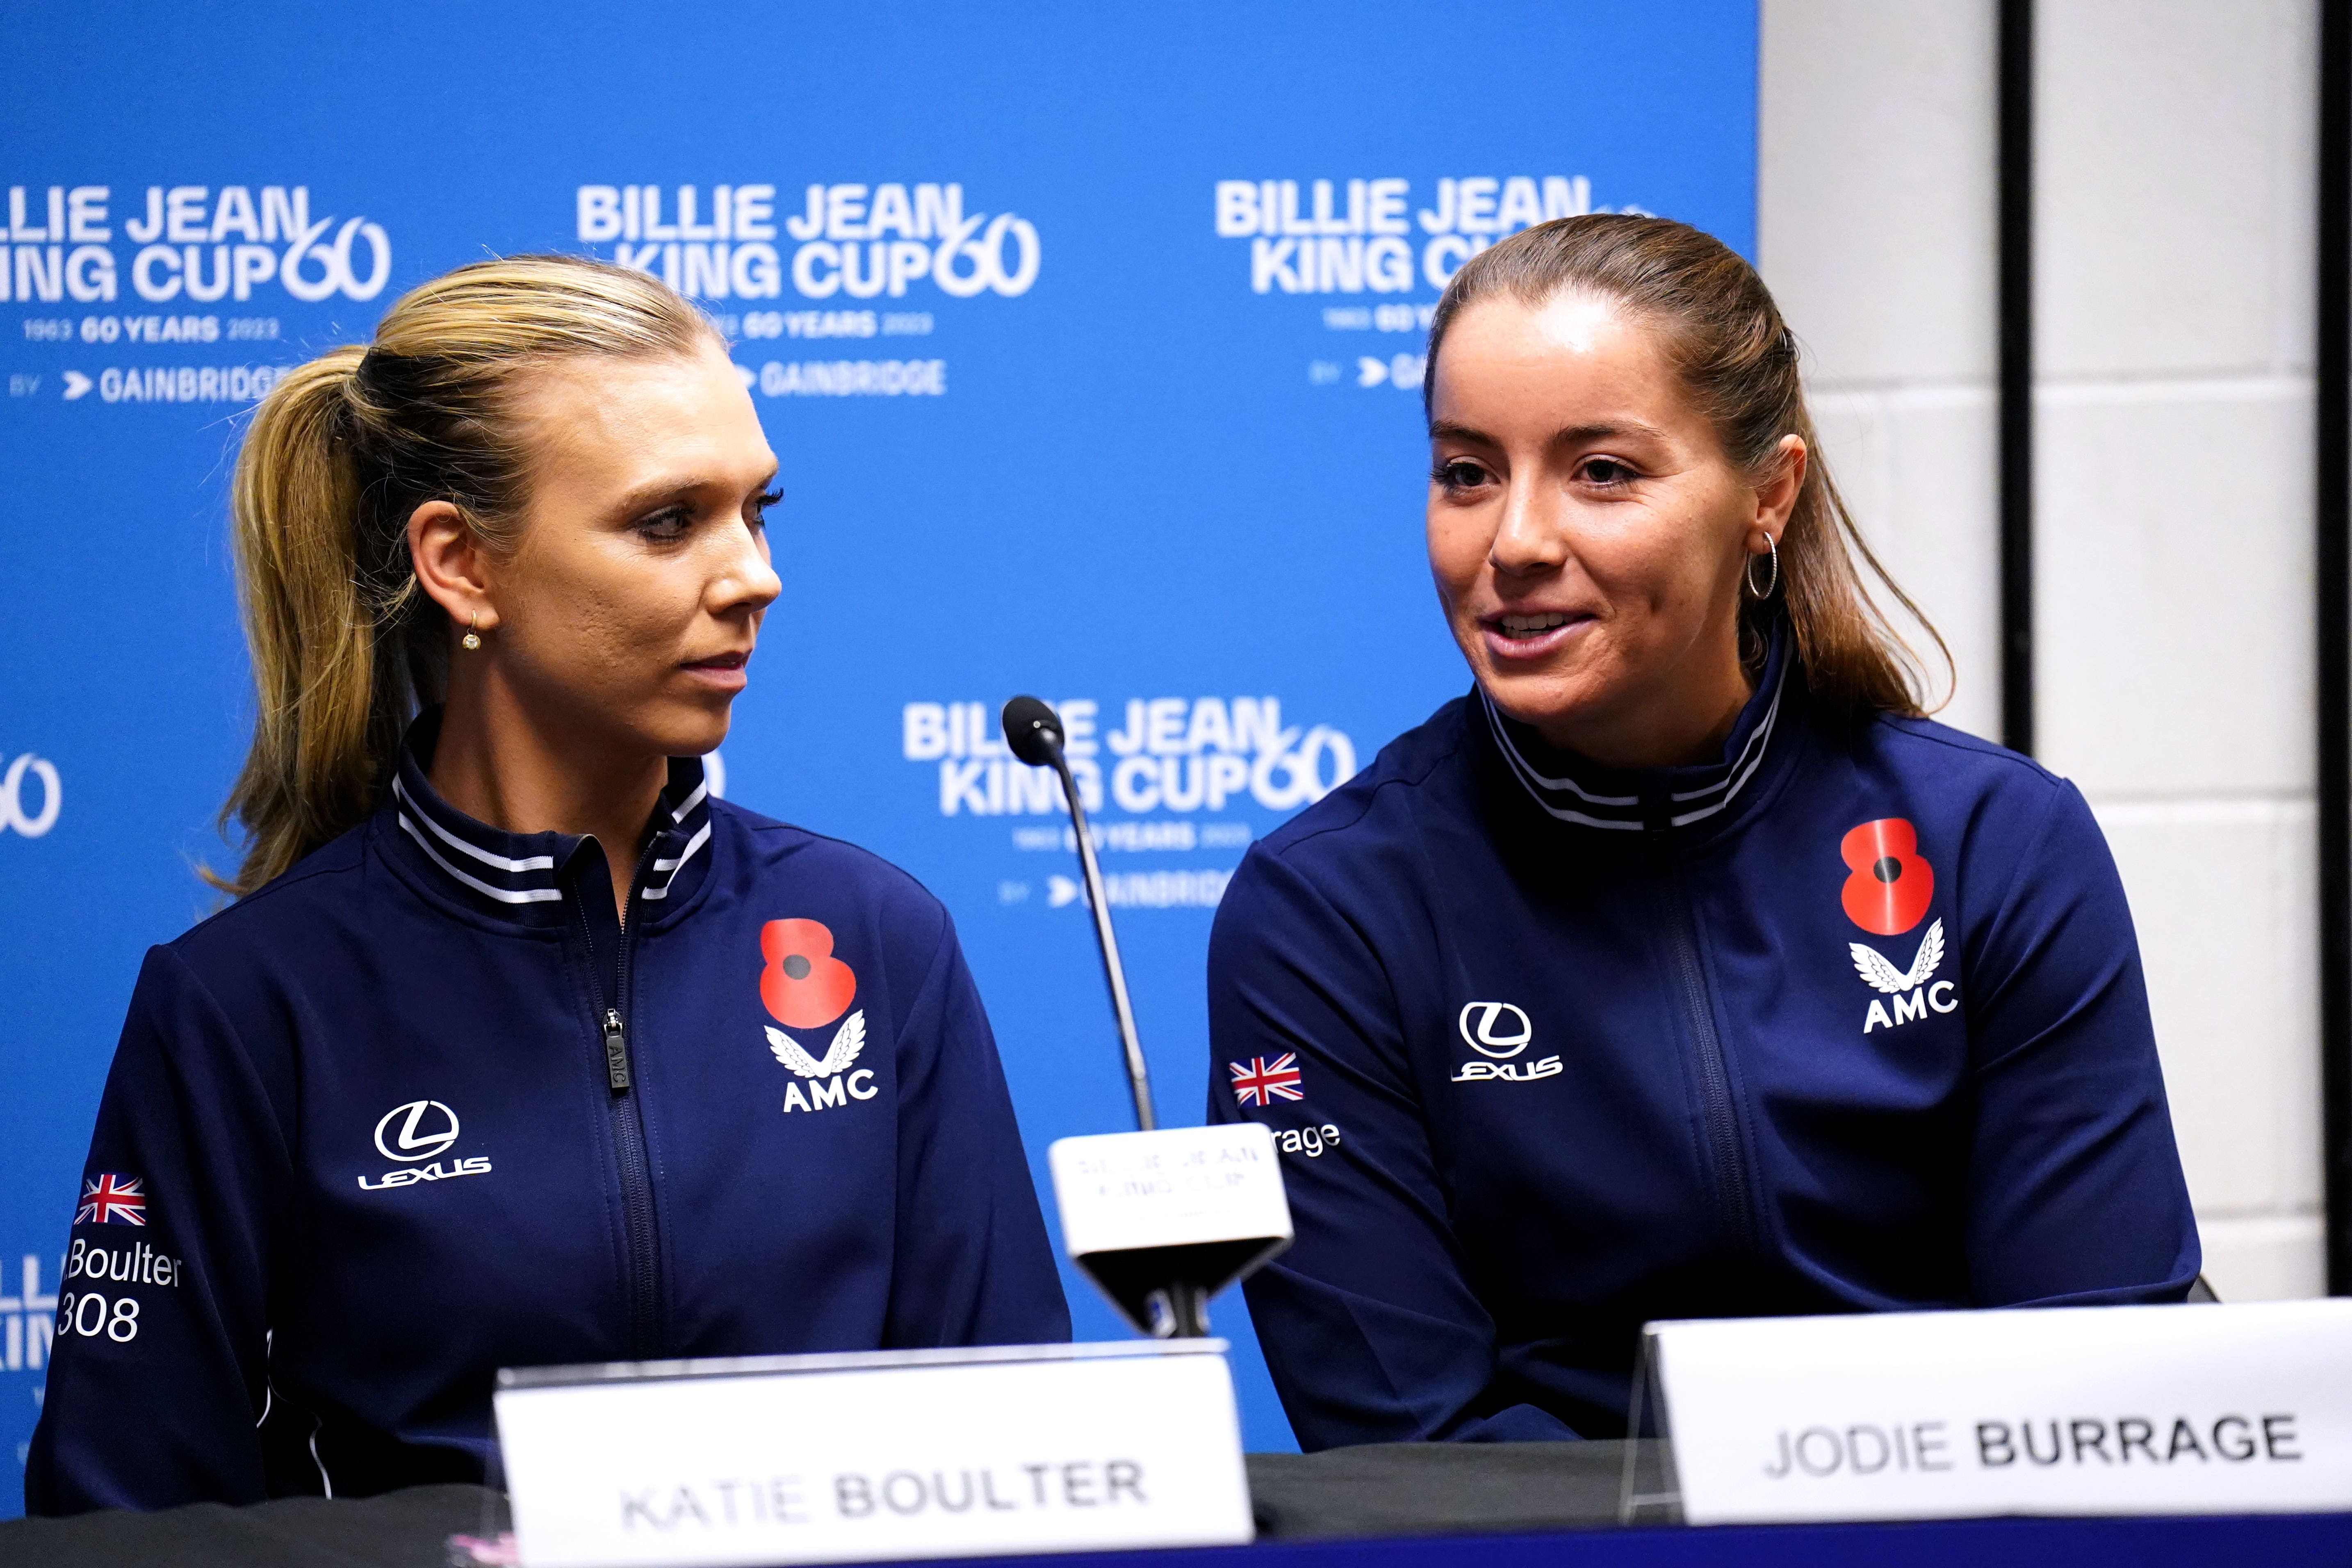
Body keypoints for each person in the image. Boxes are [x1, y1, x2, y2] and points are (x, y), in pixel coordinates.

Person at [27, 255, 1068, 1514]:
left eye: (759, 510)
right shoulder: (246, 1007)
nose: (753, 575)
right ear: (462, 565)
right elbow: (131, 1526)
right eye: (669, 521)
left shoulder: (876, 935)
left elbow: (1023, 1458)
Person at [1206, 215, 2199, 1449]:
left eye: (1602, 472)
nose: (1514, 541)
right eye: (1467, 471)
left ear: (1766, 495)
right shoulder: (1326, 910)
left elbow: (2099, 1367)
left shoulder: (1993, 842)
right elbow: (1410, 1443)